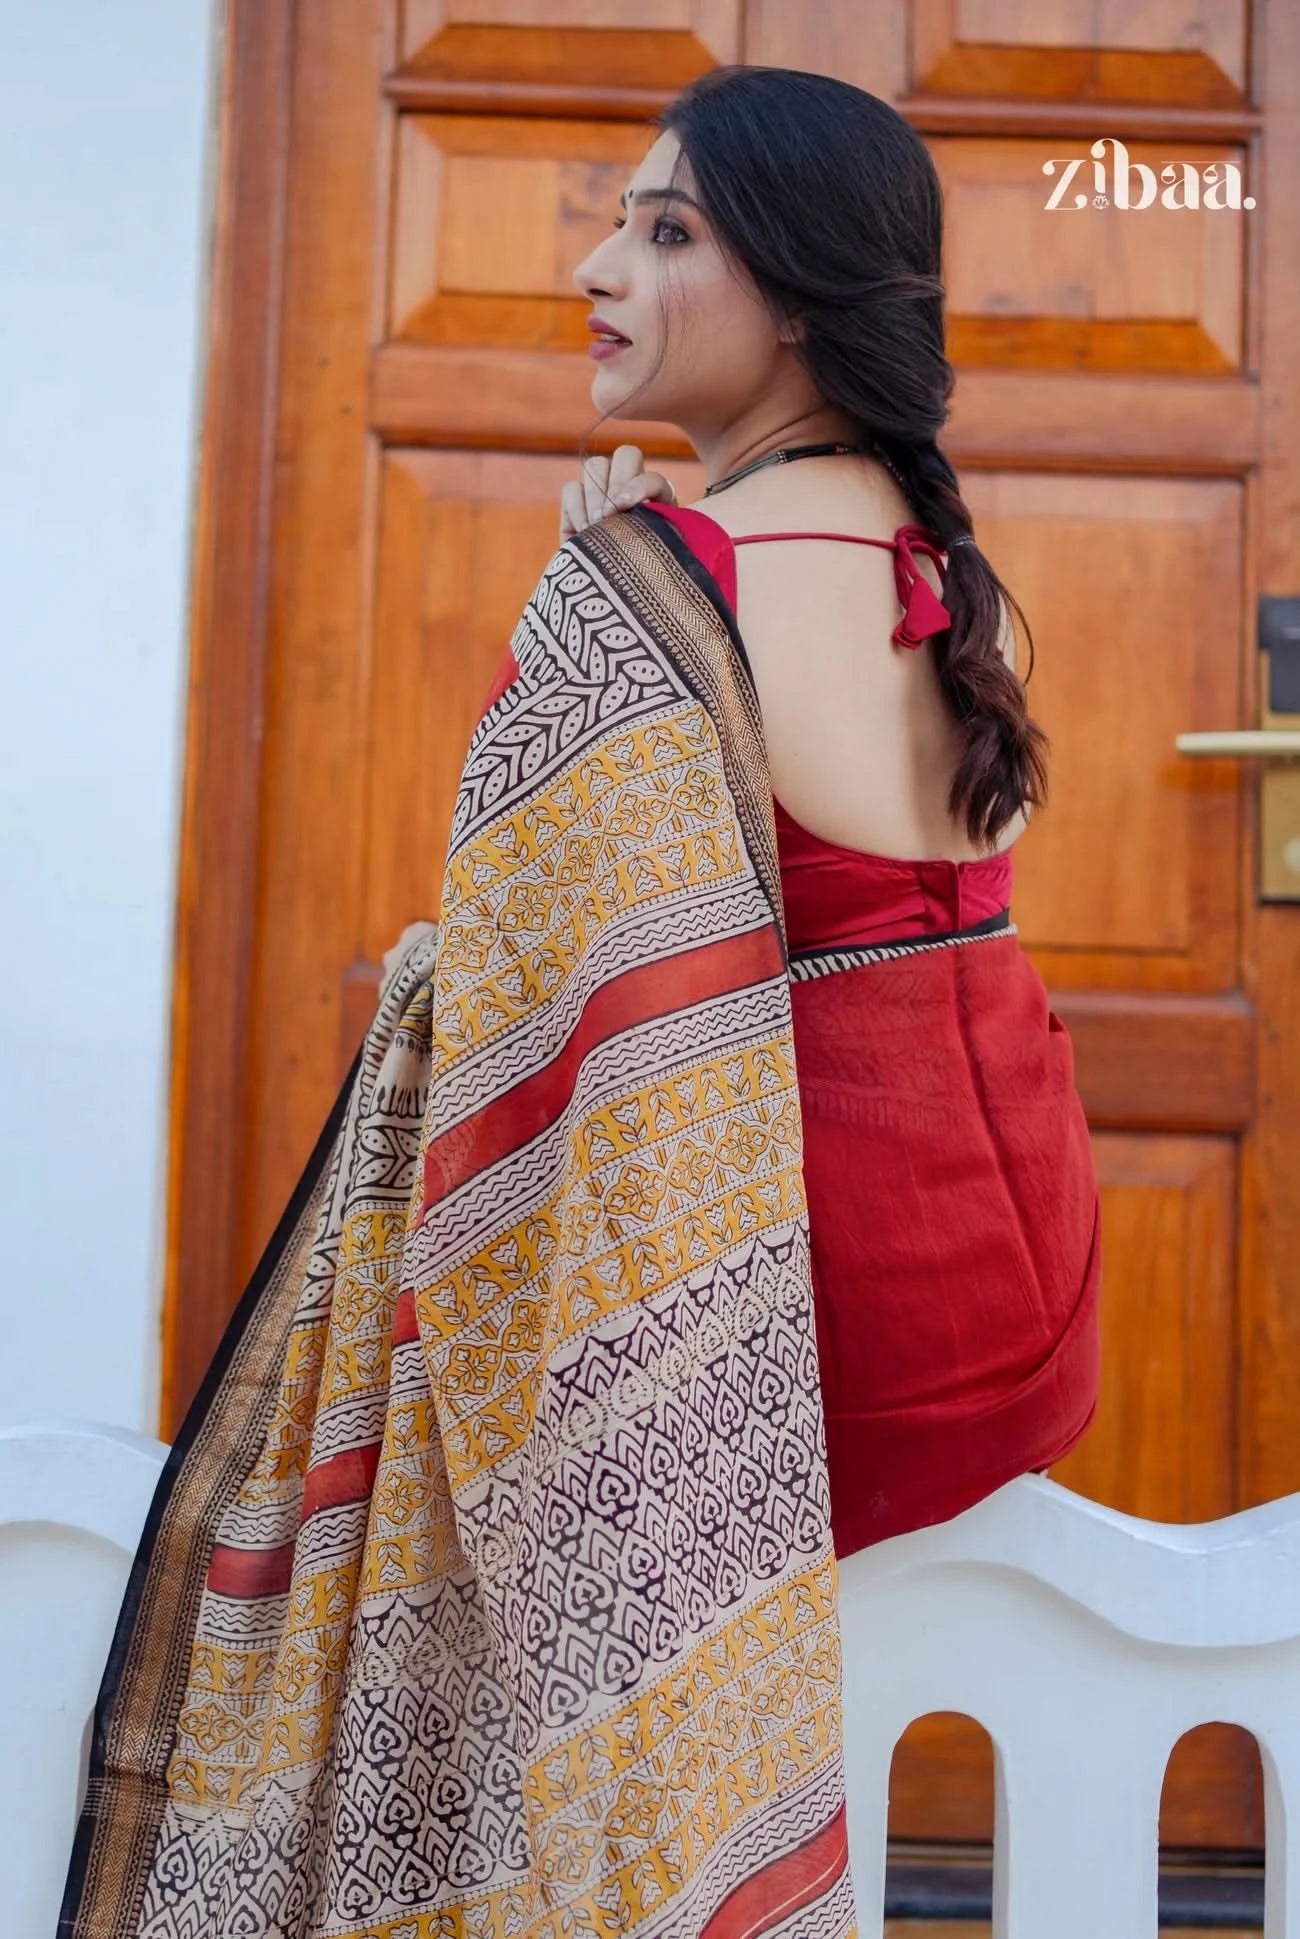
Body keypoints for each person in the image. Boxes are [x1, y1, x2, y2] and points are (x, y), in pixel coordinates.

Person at [61, 67, 1097, 1939]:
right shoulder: (964, 585)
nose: (595, 266)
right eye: (620, 219)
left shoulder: (651, 594)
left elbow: (516, 990)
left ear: (795, 294)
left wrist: (596, 609)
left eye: (666, 229)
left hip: (794, 1336)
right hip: (1028, 1296)